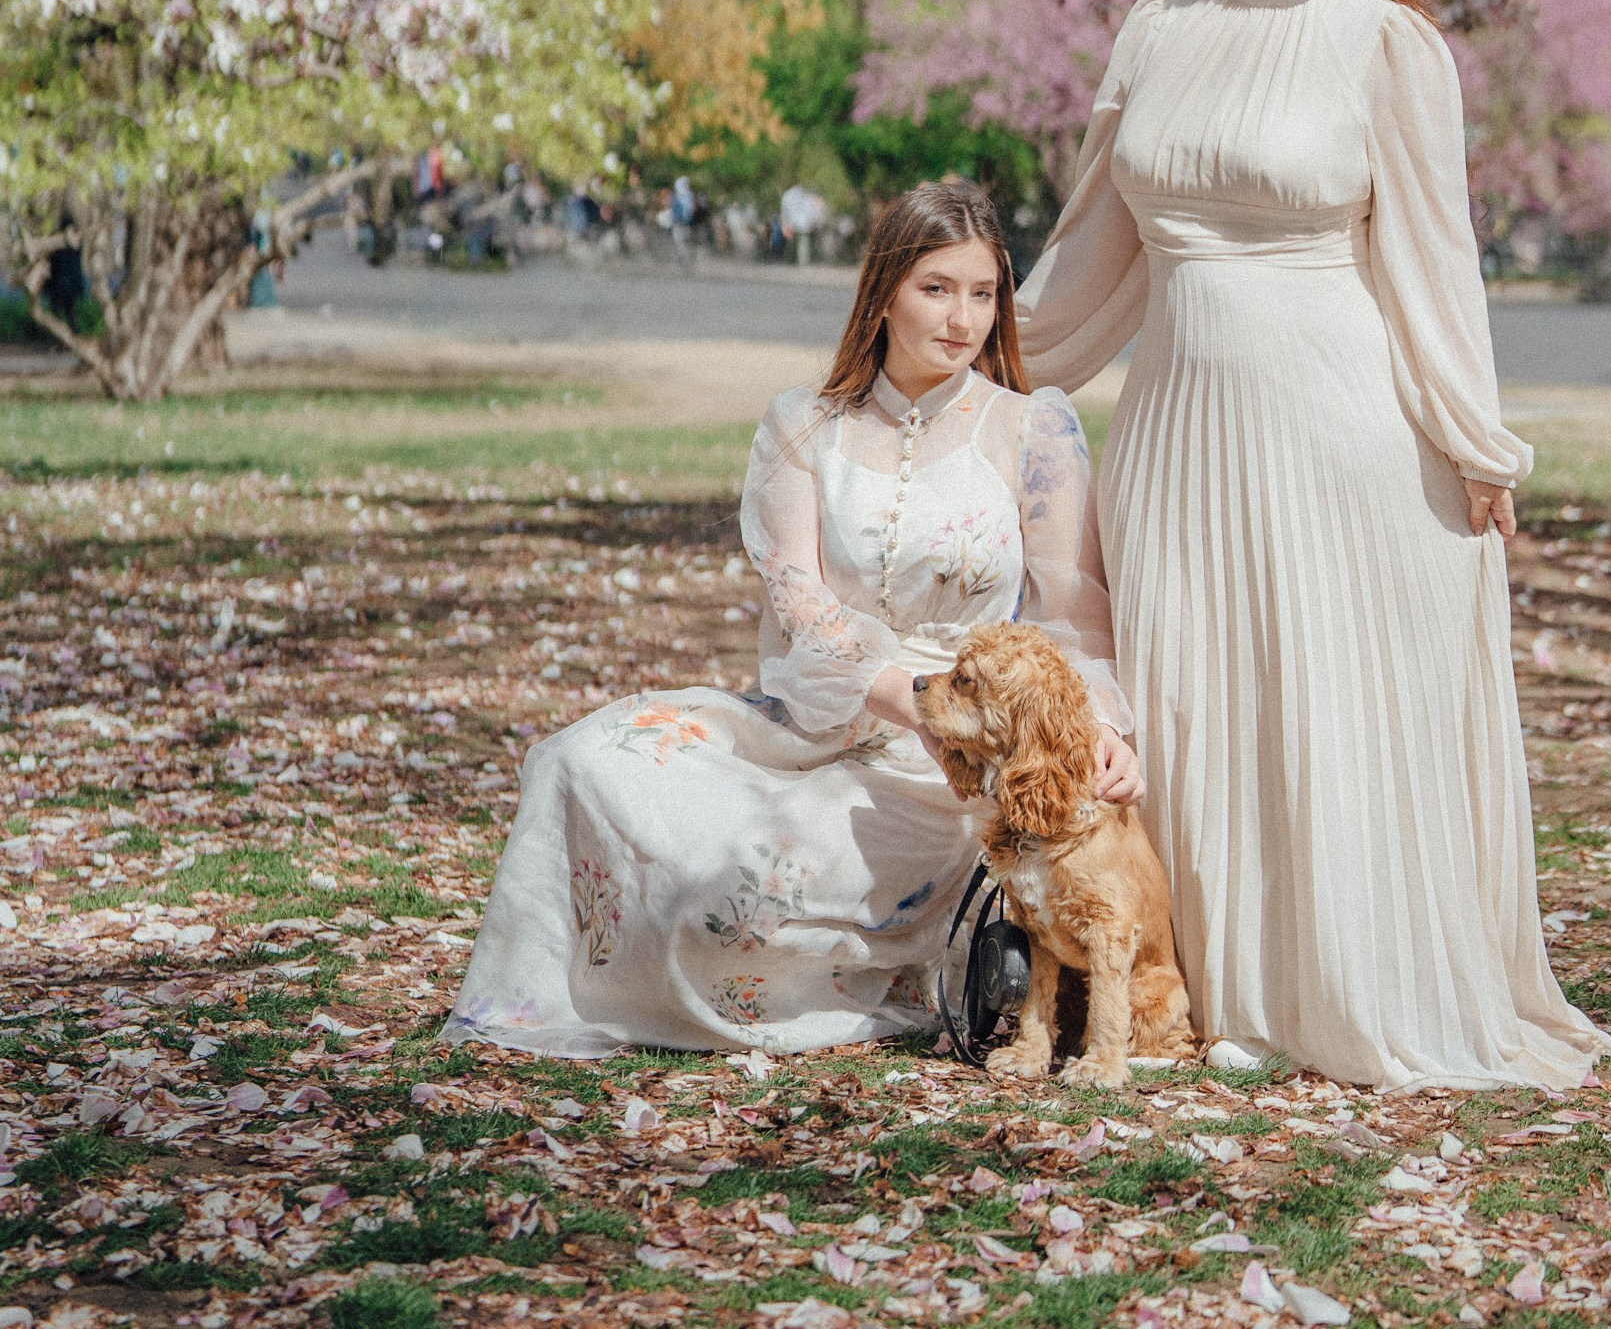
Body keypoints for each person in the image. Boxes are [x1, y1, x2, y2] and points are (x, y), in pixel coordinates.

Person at [1015, 0, 1611, 1093]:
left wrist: (1474, 439)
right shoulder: (1158, 25)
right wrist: (965, 347)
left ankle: (1346, 991)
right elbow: (1092, 245)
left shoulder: (1389, 43)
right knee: (1191, 696)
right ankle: (1200, 996)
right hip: (1174, 426)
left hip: (1340, 424)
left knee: (1327, 705)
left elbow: (1434, 261)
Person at [443, 180, 1140, 1057]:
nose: (962, 318)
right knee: (583, 761)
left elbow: (1075, 615)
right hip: (824, 713)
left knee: (740, 894)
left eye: (982, 292)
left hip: (960, 763)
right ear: (883, 291)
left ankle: (911, 966)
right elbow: (804, 607)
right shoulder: (804, 429)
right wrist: (901, 698)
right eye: (935, 287)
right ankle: (553, 992)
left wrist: (1105, 726)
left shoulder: (1034, 432)